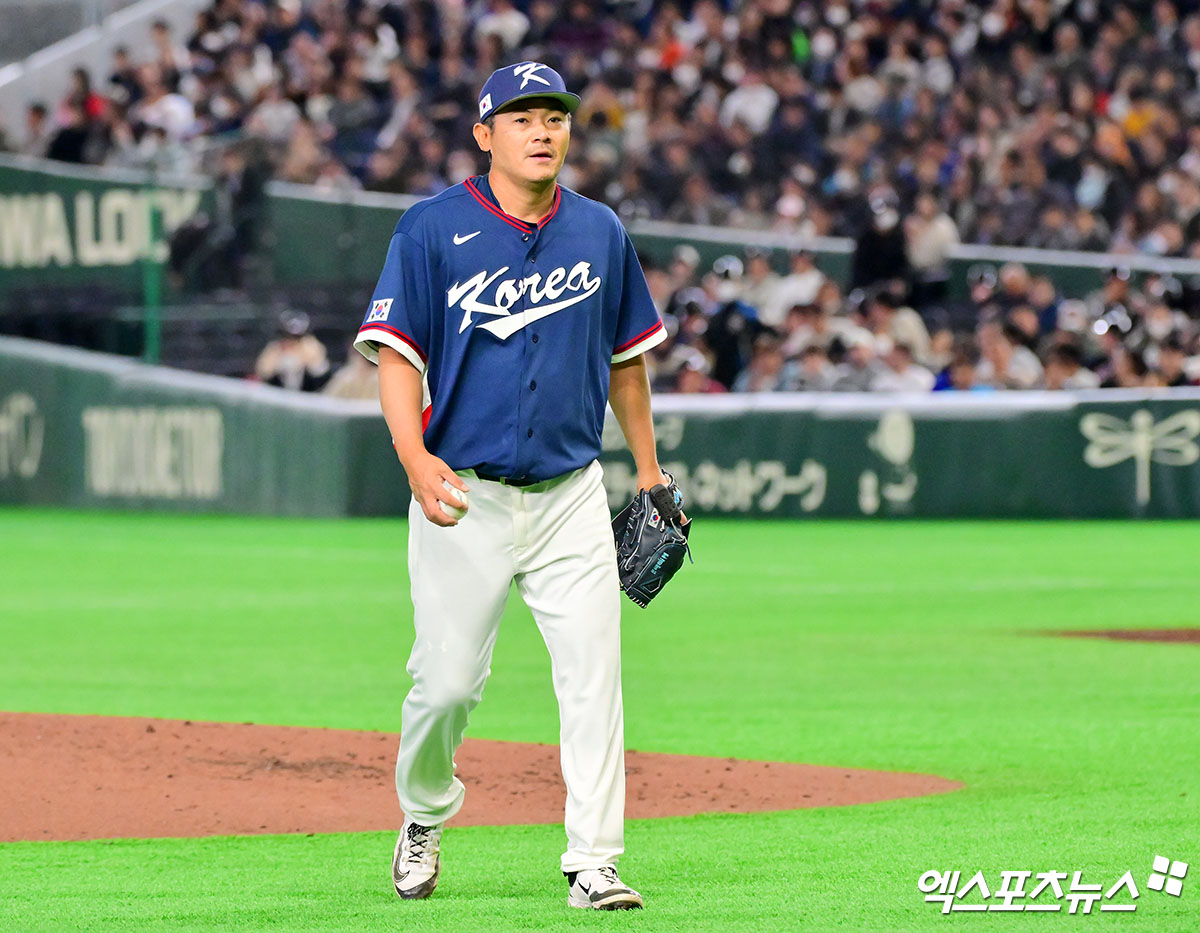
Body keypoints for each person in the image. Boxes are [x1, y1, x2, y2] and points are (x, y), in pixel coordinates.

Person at [354, 61, 672, 912]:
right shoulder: (431, 229)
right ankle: (424, 813)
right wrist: (413, 456)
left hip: (571, 495)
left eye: (554, 118)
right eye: (522, 117)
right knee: (446, 685)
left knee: (594, 676)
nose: (542, 131)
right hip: (465, 496)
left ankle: (594, 860)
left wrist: (648, 469)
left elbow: (628, 362)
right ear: (485, 135)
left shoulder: (600, 230)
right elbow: (395, 357)